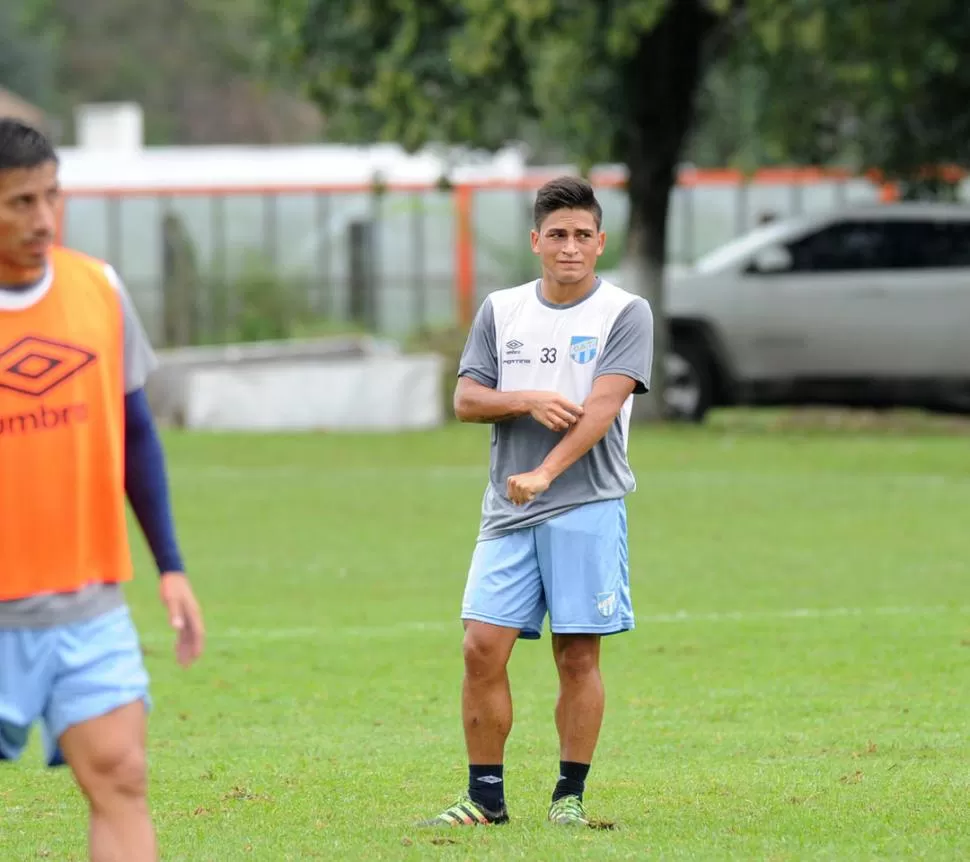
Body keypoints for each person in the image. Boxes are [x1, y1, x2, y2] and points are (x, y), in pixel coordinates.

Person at [419, 176, 653, 828]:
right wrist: (525, 399)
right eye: (558, 235)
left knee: (577, 655)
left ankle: (568, 799)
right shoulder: (501, 310)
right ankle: (485, 798)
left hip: (587, 504)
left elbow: (603, 407)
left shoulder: (626, 313)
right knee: (479, 647)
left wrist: (547, 471)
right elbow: (466, 399)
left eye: (583, 235)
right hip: (508, 506)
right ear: (536, 242)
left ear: (600, 242)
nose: (570, 247)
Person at [0, 119, 204, 861]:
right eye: (20, 202)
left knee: (121, 775)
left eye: (51, 196)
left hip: (87, 604)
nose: (43, 219)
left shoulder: (99, 289)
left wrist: (171, 565)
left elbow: (138, 433)